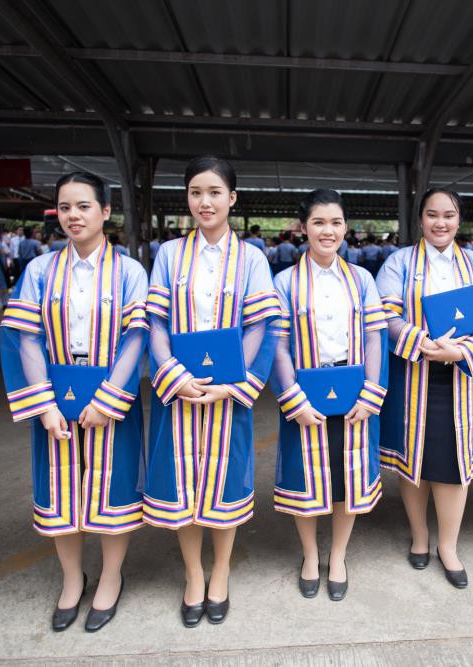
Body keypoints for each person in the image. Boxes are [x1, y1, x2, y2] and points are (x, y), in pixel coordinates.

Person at [0, 172, 147, 632]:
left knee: (113, 488)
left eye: (83, 206)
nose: (73, 216)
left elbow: (135, 337)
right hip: (54, 398)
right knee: (59, 490)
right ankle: (71, 578)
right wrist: (43, 405)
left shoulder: (129, 272)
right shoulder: (40, 270)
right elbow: (25, 337)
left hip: (110, 398)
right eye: (64, 207)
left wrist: (109, 399)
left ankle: (110, 576)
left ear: (106, 211)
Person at [143, 156, 280, 628]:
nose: (205, 202)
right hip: (179, 389)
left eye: (215, 192)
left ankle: (220, 571)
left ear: (232, 198)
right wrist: (171, 374)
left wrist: (232, 383)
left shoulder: (252, 258)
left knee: (226, 482)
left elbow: (261, 324)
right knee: (180, 484)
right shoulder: (168, 254)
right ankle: (193, 574)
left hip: (227, 391)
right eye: (196, 192)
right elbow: (155, 322)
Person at [376, 188, 473, 589]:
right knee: (413, 459)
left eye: (448, 215)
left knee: (453, 463)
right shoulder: (399, 262)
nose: (440, 222)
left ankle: (448, 545)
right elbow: (385, 313)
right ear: (420, 219)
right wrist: (422, 343)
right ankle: (419, 536)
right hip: (413, 372)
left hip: (461, 376)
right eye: (432, 214)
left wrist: (461, 351)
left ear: (459, 219)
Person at [271, 189, 388, 601]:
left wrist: (371, 392)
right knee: (305, 478)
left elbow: (374, 337)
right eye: (318, 222)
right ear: (303, 228)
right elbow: (278, 344)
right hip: (305, 393)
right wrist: (293, 398)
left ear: (345, 227)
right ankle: (309, 555)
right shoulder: (284, 282)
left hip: (354, 391)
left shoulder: (362, 279)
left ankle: (337, 555)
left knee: (347, 478)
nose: (328, 231)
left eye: (336, 222)